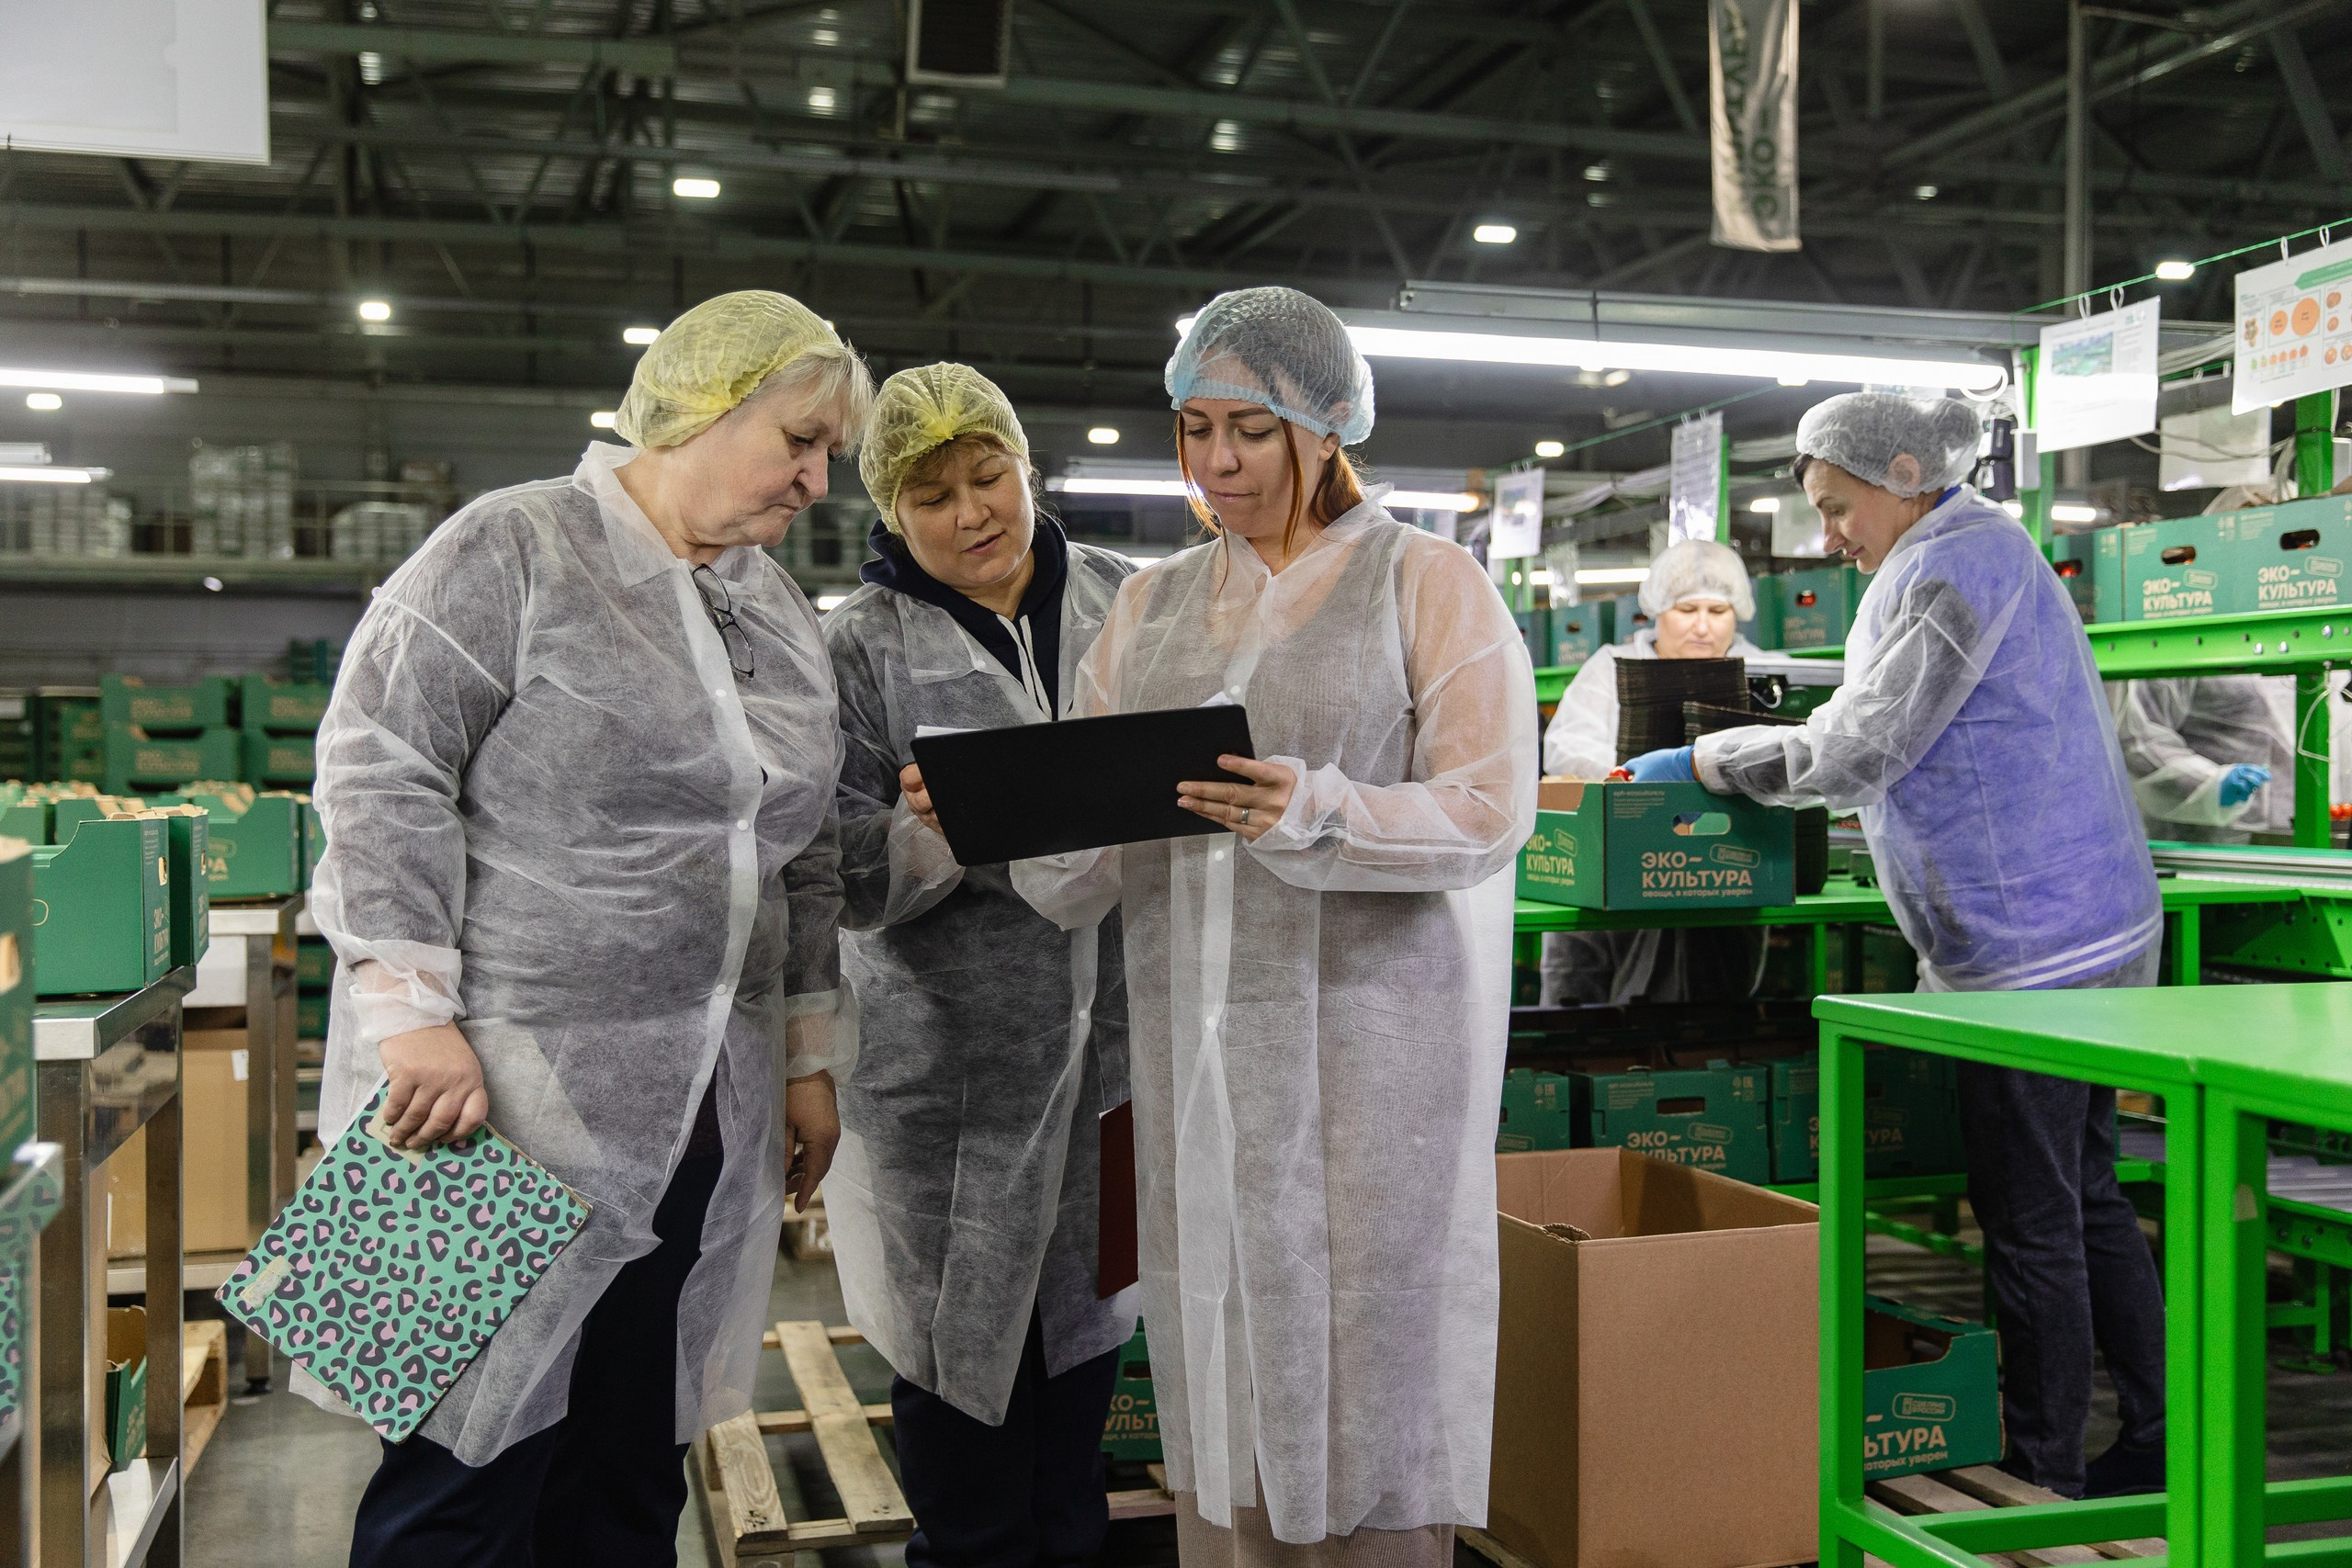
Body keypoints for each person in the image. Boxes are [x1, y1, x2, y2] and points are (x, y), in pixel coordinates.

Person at [310, 289, 870, 1567]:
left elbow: (802, 853)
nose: (817, 479)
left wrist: (803, 1057)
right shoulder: (508, 545)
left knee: (626, 1470)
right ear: (698, 411)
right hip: (476, 1092)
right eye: (798, 440)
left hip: (701, 1107)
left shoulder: (775, 605)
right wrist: (410, 1010)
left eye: (827, 451)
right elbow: (378, 765)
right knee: (453, 1477)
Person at [1012, 286, 1537, 1566]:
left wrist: (1318, 807)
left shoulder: (1428, 583)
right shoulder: (1150, 607)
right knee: (1219, 1343)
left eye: (1249, 430)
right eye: (1195, 431)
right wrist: (1012, 810)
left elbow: (1489, 812)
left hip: (1372, 1065)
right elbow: (1078, 862)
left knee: (1368, 1352)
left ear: (1326, 426)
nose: (1218, 463)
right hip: (1196, 1072)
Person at [1629, 392, 2166, 1501]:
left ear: (1904, 474)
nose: (1828, 535)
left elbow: (1863, 750)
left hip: (2029, 952)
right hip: (2083, 923)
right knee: (2085, 1194)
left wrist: (1709, 762)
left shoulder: (1949, 569)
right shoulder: (1968, 551)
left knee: (2031, 1216)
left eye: (1838, 507)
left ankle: (2042, 1474)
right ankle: (2158, 1438)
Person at [819, 363, 1139, 1568]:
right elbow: (834, 864)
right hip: (948, 1082)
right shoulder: (857, 649)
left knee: (1083, 1385)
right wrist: (930, 832)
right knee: (961, 1405)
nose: (971, 514)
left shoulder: (1130, 601)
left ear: (1025, 467)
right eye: (931, 495)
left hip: (1118, 1064)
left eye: (987, 476)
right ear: (891, 512)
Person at [1538, 537, 1765, 1005]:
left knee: (1695, 1002)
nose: (1702, 625)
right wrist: (1640, 778)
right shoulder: (1613, 667)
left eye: (1718, 611)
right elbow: (1566, 749)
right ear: (1658, 610)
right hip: (1608, 851)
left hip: (1717, 863)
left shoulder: (1761, 672)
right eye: (1687, 609)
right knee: (1576, 998)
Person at [2111, 677, 2289, 843]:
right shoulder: (2175, 655)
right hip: (2201, 842)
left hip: (2290, 833)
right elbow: (2139, 740)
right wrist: (2209, 787)